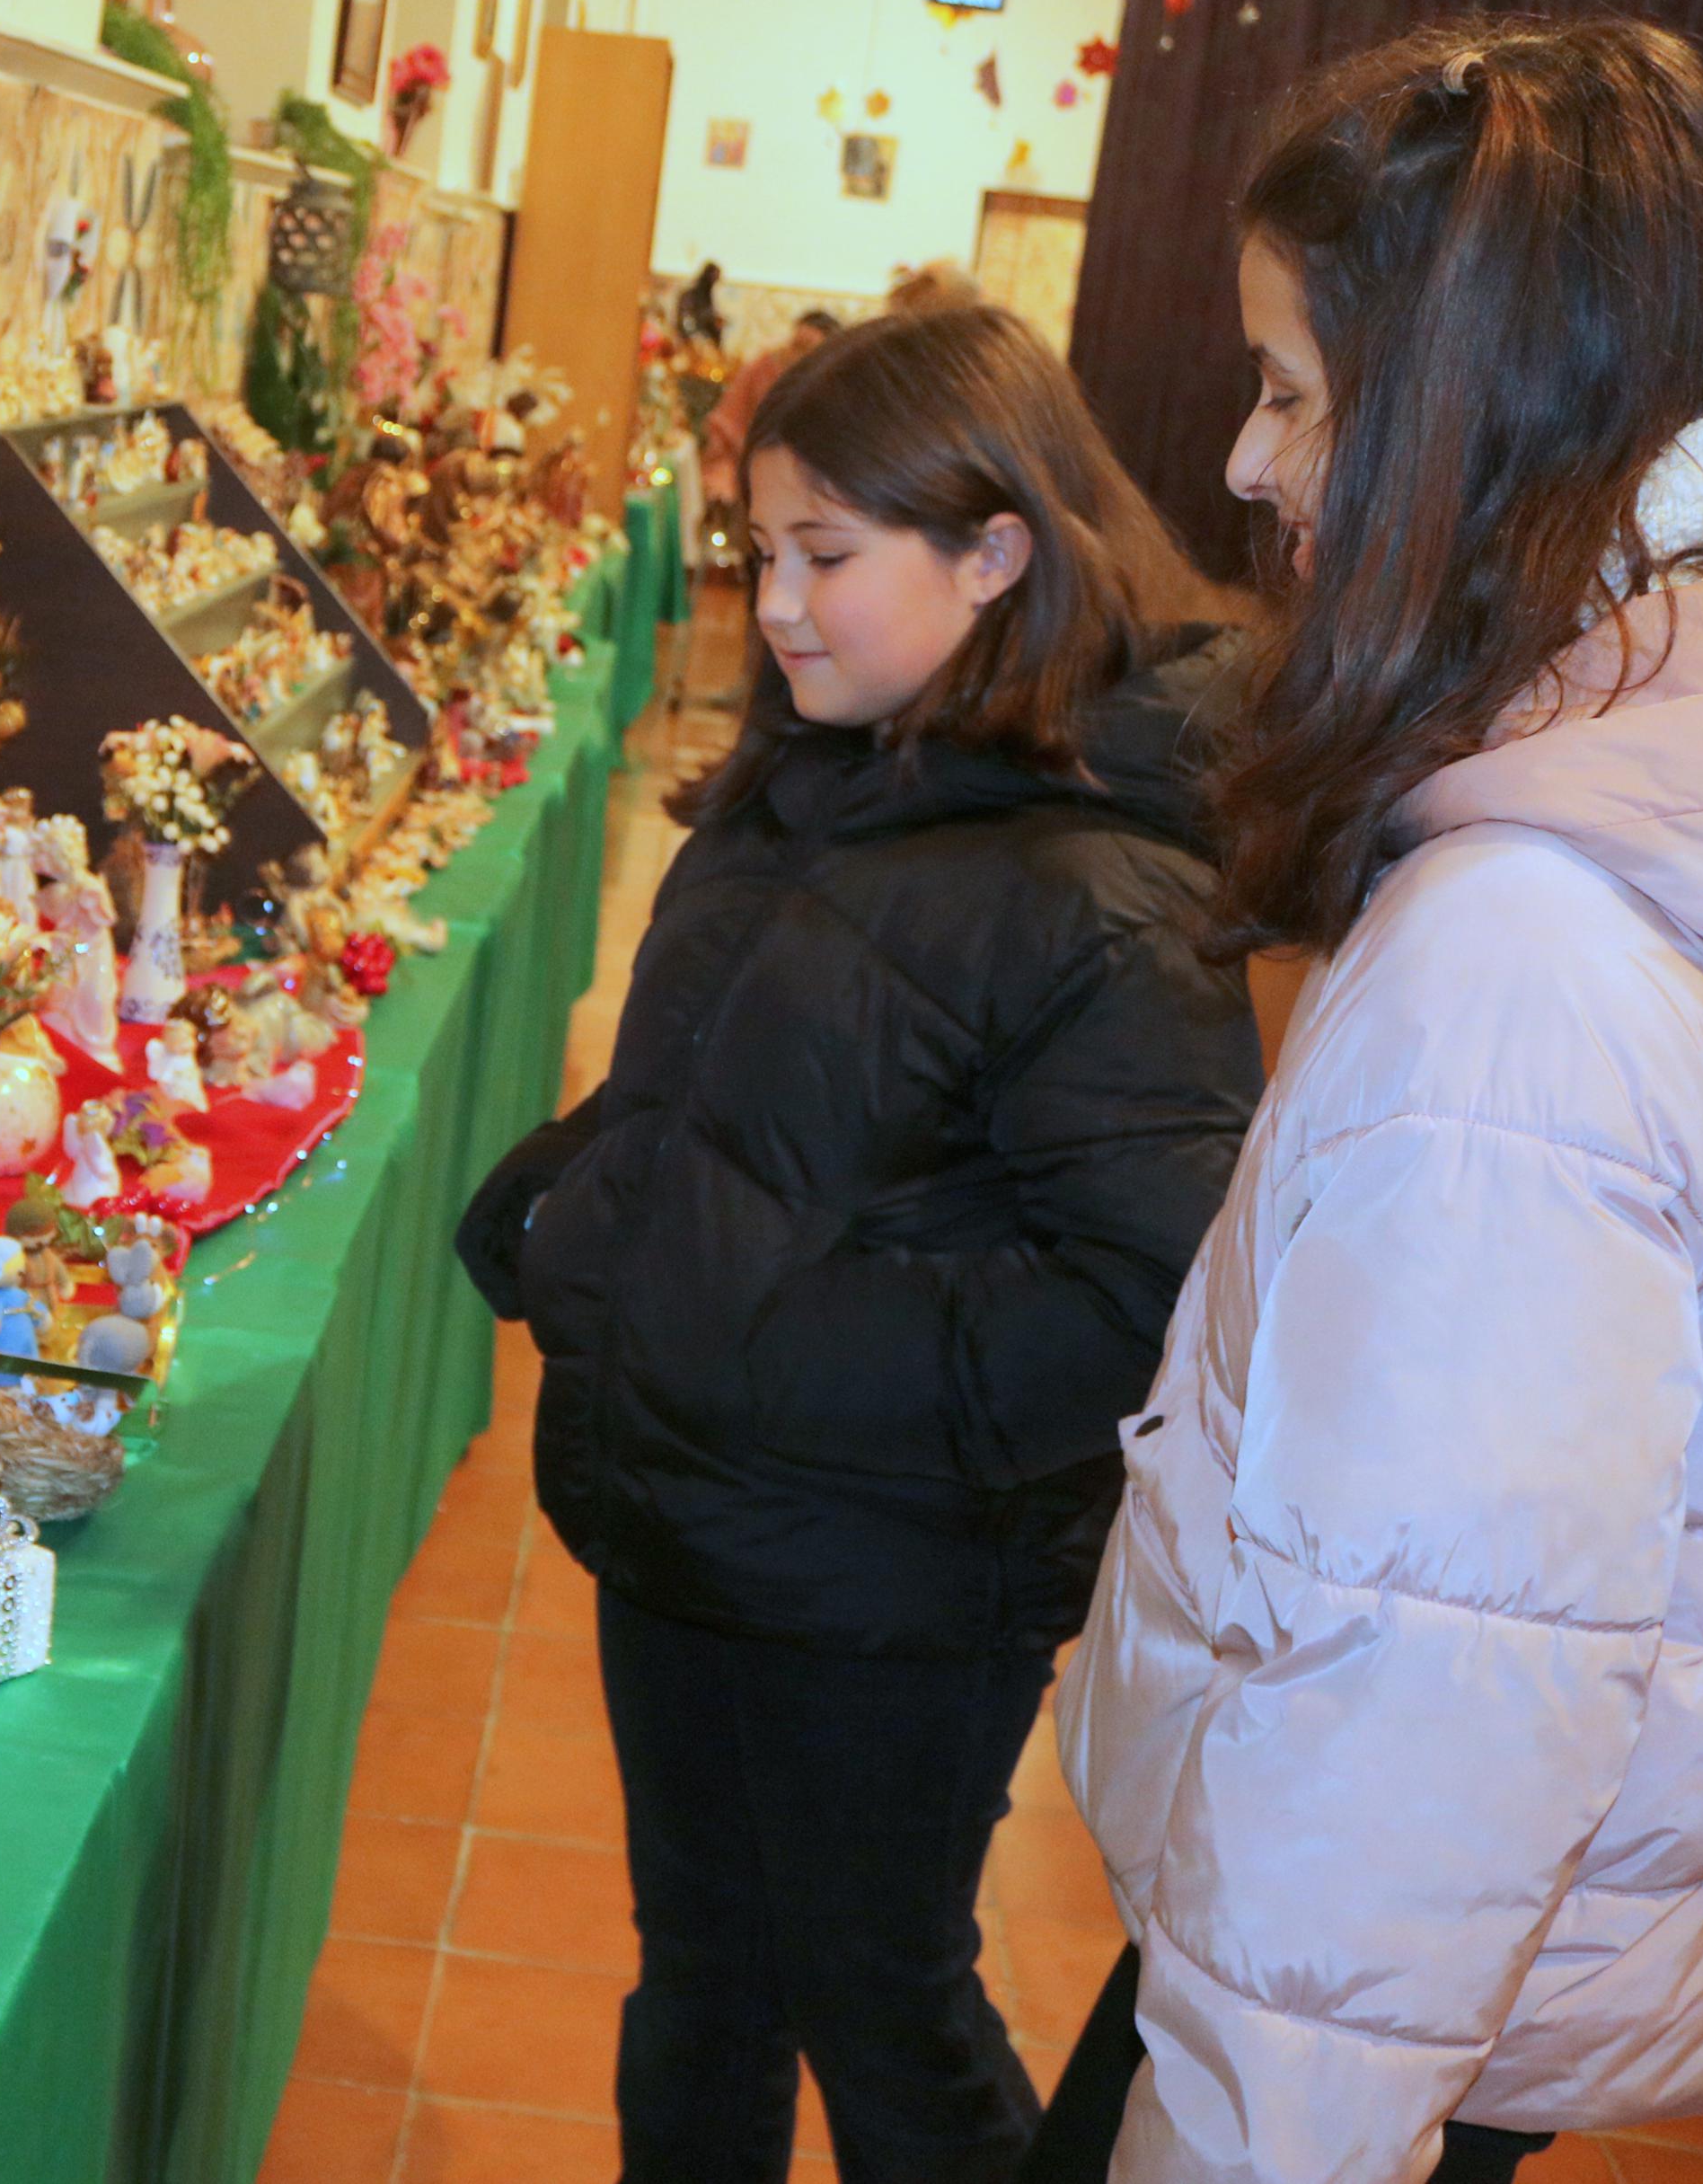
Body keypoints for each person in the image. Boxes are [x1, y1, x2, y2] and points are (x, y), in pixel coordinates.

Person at [1035, 16, 1703, 2184]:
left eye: (1291, 393)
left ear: (1466, 415)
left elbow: (1418, 1690)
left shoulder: (1526, 954)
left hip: (1354, 2009)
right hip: (1494, 1967)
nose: (1239, 463)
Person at [456, 305, 1263, 2184]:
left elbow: (1136, 1297)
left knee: (878, 2006)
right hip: (687, 1521)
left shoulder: (1102, 884)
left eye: (822, 555)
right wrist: (552, 1210)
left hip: (892, 1578)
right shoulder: (812, 778)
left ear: (993, 553)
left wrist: (733, 1337)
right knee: (700, 1984)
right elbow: (699, 1097)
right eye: (758, 550)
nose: (774, 606)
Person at [698, 306, 842, 508]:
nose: (797, 355)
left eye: (807, 348)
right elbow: (726, 426)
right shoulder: (762, 370)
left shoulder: (833, 391)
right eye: (796, 345)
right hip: (746, 474)